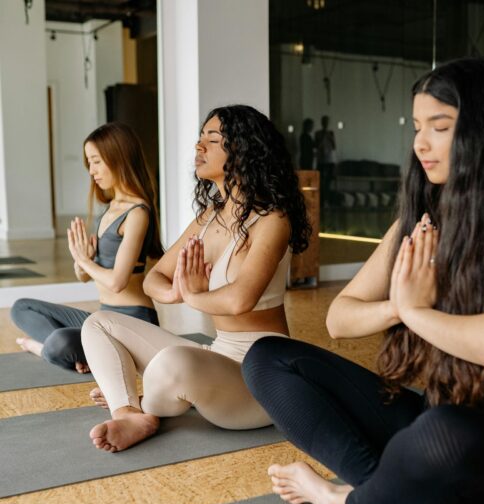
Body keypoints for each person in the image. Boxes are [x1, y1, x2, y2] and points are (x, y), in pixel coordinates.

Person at [241, 58, 484, 504]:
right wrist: (396, 307)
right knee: (267, 359)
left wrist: (414, 310)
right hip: (436, 412)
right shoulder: (422, 216)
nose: (420, 144)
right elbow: (340, 319)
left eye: (439, 128)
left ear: (483, 130)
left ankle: (345, 503)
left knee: (441, 434)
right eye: (417, 128)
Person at [82, 104, 311, 453]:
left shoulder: (272, 220)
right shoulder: (208, 217)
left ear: (243, 150)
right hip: (216, 355)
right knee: (98, 324)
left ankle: (147, 398)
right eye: (199, 139)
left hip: (260, 375)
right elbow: (153, 279)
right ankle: (129, 412)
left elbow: (240, 299)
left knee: (173, 363)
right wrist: (177, 291)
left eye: (213, 140)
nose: (199, 147)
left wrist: (192, 295)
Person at [11, 122, 163, 372]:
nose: (91, 171)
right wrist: (82, 259)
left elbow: (117, 282)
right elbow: (83, 277)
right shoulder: (111, 209)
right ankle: (85, 353)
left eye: (96, 161)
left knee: (60, 342)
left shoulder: (138, 213)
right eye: (89, 163)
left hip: (131, 322)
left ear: (118, 158)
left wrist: (85, 262)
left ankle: (42, 348)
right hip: (102, 317)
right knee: (21, 308)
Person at [314, 115, 336, 203]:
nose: (325, 123)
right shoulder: (318, 133)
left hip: (330, 159)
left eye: (327, 121)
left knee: (328, 181)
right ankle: (321, 200)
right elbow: (316, 146)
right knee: (320, 180)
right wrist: (323, 137)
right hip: (321, 160)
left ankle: (327, 200)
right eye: (324, 121)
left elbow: (334, 146)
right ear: (322, 122)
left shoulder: (331, 133)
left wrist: (330, 137)